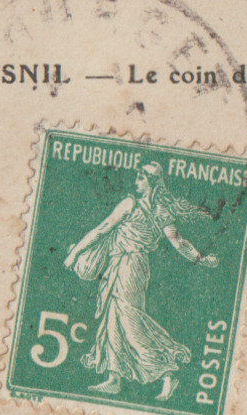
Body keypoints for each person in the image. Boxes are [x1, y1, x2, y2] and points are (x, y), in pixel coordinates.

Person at [64, 161, 220, 402]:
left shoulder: (133, 205)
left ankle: (167, 373)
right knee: (113, 318)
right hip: (127, 265)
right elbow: (179, 243)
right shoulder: (160, 211)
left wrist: (75, 253)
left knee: (129, 319)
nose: (136, 182)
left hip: (129, 267)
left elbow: (102, 229)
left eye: (140, 178)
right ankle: (114, 378)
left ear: (151, 182)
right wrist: (200, 258)